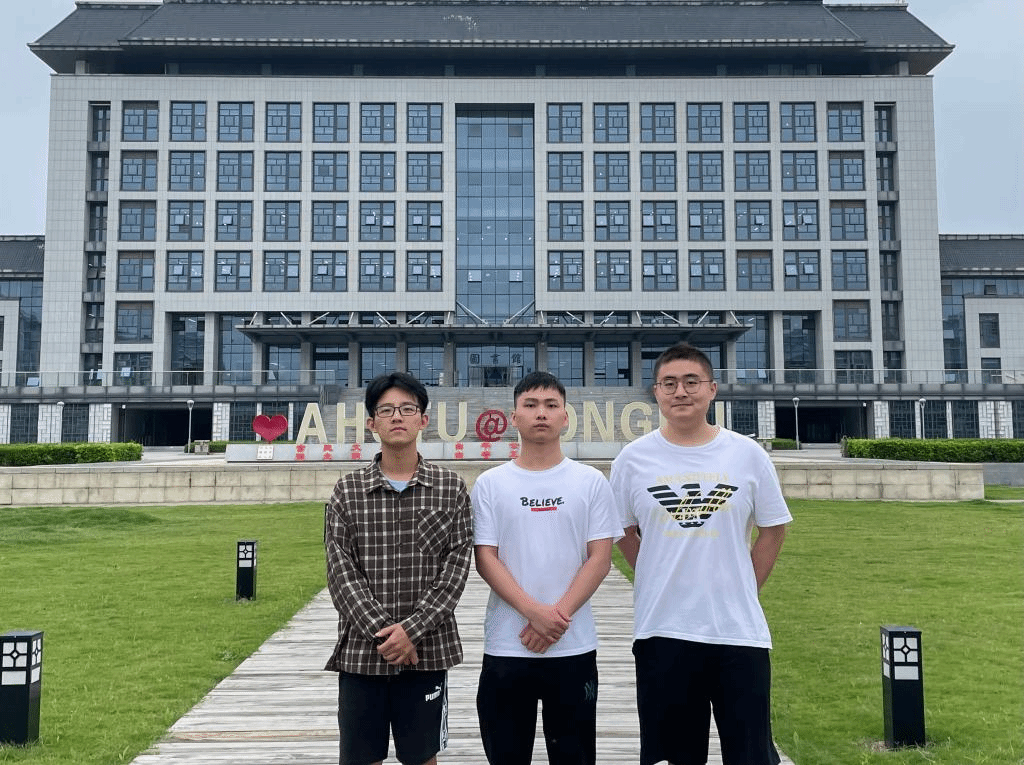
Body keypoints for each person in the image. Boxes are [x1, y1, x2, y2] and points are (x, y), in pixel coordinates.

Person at [610, 342, 792, 765]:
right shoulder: (632, 460)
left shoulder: (747, 454)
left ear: (712, 389)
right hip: (662, 631)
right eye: (669, 383)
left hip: (737, 633)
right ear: (656, 392)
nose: (680, 392)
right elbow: (621, 531)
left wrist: (744, 585)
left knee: (750, 755)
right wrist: (654, 572)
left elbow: (773, 529)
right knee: (673, 755)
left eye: (691, 382)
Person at [472, 371, 622, 765]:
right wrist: (534, 613)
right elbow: (486, 558)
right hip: (507, 644)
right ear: (514, 417)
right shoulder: (491, 484)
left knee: (574, 756)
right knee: (506, 755)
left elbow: (600, 558)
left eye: (551, 405)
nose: (541, 413)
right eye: (531, 405)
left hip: (572, 644)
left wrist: (556, 618)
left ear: (565, 417)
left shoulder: (590, 481)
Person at [324, 371, 473, 765]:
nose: (396, 417)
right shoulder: (348, 491)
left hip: (427, 651)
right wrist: (386, 634)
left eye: (407, 409)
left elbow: (455, 570)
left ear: (423, 419)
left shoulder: (450, 488)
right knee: (360, 757)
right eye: (386, 410)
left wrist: (412, 631)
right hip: (362, 652)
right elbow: (341, 572)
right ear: (371, 423)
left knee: (422, 757)